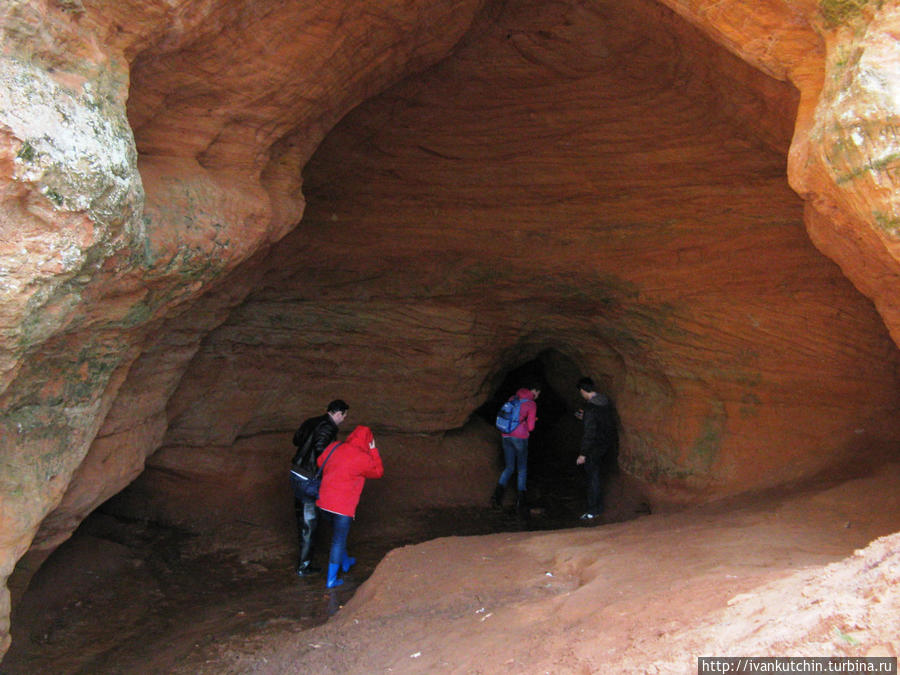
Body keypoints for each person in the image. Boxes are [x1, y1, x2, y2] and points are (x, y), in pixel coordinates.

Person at [316, 425, 384, 588]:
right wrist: (373, 450)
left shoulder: (335, 446)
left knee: (338, 535)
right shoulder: (362, 457)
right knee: (338, 540)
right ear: (368, 441)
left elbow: (320, 462)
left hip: (323, 503)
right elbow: (378, 472)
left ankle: (345, 562)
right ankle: (331, 580)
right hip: (342, 507)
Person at [290, 399, 349, 576]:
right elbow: (321, 450)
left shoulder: (311, 421)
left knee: (303, 518)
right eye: (344, 416)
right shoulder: (328, 427)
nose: (343, 420)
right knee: (310, 522)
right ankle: (304, 566)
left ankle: (305, 560)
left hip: (296, 472)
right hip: (309, 478)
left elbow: (296, 440)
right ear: (338, 413)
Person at [490, 383, 540, 519]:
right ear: (534, 391)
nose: (537, 396)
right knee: (522, 468)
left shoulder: (513, 397)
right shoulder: (531, 404)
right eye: (538, 393)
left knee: (509, 467)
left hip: (505, 435)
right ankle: (521, 501)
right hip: (520, 438)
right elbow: (530, 427)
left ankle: (496, 497)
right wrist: (532, 420)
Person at [575, 377, 617, 521]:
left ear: (583, 390)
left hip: (594, 446)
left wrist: (583, 454)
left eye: (580, 392)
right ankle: (598, 508)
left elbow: (590, 433)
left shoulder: (591, 408)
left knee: (593, 478)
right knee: (598, 476)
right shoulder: (605, 402)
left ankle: (594, 510)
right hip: (606, 444)